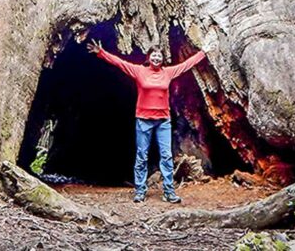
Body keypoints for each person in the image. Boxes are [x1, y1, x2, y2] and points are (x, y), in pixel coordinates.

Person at [86, 38, 208, 203]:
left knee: (166, 156)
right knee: (142, 156)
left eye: (159, 56)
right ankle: (140, 190)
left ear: (162, 59)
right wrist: (101, 53)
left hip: (163, 121)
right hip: (143, 119)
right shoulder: (139, 71)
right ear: (148, 57)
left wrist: (203, 52)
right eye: (154, 55)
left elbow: (186, 65)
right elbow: (120, 63)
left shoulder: (168, 72)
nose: (156, 58)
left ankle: (169, 191)